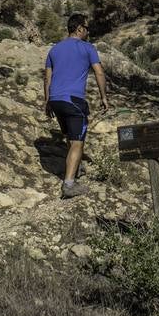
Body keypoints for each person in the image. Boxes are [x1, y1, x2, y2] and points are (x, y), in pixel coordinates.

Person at [44, 12, 109, 198]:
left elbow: (47, 77)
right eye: (87, 28)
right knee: (78, 141)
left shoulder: (54, 50)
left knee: (70, 136)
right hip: (73, 100)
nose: (88, 32)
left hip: (56, 99)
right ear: (79, 28)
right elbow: (99, 73)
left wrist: (47, 101)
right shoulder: (88, 48)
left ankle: (75, 168)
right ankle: (69, 184)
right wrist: (104, 97)